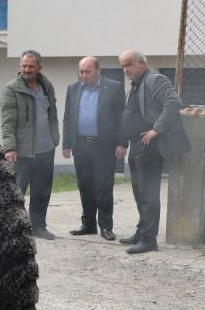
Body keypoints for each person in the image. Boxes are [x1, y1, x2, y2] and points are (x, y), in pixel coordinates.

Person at [117, 49, 190, 254]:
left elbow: (173, 102)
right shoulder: (136, 84)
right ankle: (142, 232)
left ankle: (149, 240)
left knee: (148, 193)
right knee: (139, 192)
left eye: (128, 65)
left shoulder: (154, 79)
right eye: (122, 66)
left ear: (141, 64)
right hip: (137, 145)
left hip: (150, 147)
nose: (125, 70)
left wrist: (156, 129)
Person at [61, 56, 126, 241]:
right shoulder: (73, 89)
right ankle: (88, 224)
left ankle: (106, 226)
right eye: (81, 71)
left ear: (98, 70)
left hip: (104, 146)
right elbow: (68, 118)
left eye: (87, 71)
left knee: (104, 186)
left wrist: (122, 143)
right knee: (85, 186)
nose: (83, 75)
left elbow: (122, 117)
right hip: (81, 145)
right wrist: (67, 144)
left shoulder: (113, 88)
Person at [0, 49, 59, 240]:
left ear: (39, 68)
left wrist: (54, 138)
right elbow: (7, 122)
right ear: (20, 66)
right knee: (16, 193)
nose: (26, 69)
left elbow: (52, 116)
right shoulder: (11, 89)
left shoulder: (47, 87)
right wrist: (9, 148)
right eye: (24, 66)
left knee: (42, 192)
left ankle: (38, 227)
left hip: (45, 150)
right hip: (22, 152)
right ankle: (13, 229)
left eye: (31, 66)